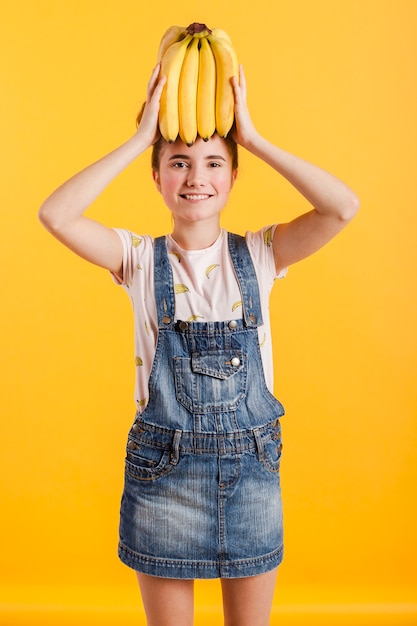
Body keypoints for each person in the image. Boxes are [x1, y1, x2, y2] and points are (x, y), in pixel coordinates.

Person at [39, 63, 359, 626]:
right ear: (157, 177)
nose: (196, 177)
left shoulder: (262, 254)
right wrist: (142, 136)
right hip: (164, 477)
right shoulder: (136, 259)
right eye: (178, 162)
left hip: (253, 474)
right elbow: (55, 214)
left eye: (214, 163)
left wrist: (253, 139)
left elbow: (342, 207)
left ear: (234, 178)